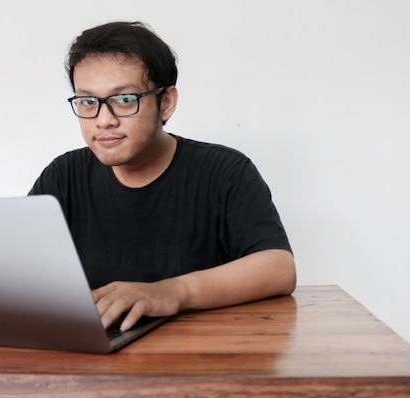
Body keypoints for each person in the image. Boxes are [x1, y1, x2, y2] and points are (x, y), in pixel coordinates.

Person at [29, 21, 296, 332]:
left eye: (124, 99)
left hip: (201, 356)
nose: (103, 120)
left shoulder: (225, 171)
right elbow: (17, 269)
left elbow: (278, 267)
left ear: (165, 102)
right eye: (88, 102)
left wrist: (171, 292)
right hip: (97, 362)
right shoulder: (63, 176)